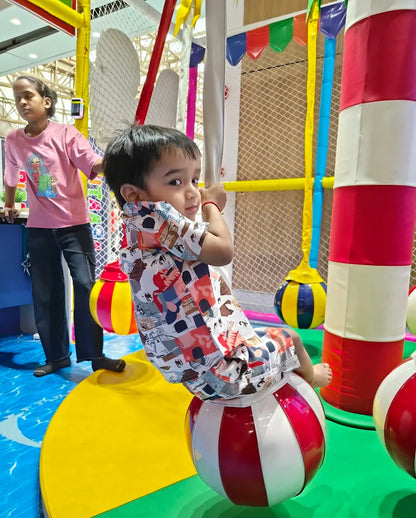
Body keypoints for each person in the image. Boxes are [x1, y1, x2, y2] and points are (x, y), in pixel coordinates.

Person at [103, 123, 332, 400]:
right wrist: (212, 206)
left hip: (192, 371)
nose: (192, 193)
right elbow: (223, 250)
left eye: (194, 180)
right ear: (134, 195)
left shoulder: (136, 226)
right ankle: (312, 377)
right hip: (225, 373)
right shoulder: (156, 217)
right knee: (292, 339)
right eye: (176, 182)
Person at [1, 75, 126, 377]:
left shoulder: (66, 134)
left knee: (85, 287)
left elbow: (92, 163)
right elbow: (11, 175)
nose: (21, 102)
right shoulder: (15, 140)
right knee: (45, 292)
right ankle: (56, 356)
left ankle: (95, 355)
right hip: (39, 228)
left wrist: (116, 159)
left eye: (28, 96)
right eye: (17, 97)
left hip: (74, 226)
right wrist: (9, 203)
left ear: (46, 101)